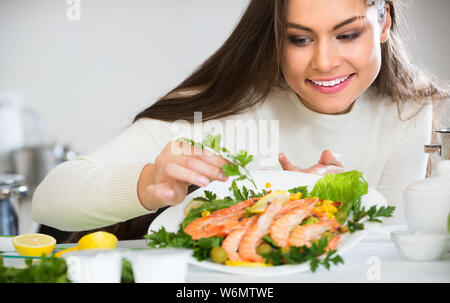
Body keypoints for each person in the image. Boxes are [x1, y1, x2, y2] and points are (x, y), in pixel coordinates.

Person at [32, 0, 449, 241]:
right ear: (275, 36)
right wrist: (146, 185)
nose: (324, 61)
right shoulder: (220, 107)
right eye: (299, 39)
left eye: (347, 34)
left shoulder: (408, 110)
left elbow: (390, 249)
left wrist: (322, 211)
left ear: (383, 22)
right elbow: (51, 198)